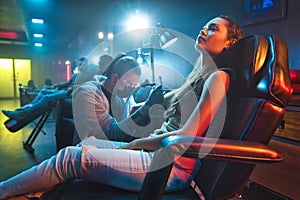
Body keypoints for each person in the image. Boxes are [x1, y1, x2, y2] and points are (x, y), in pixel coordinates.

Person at [0, 15, 243, 199]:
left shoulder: (219, 77)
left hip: (171, 165)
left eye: (214, 28)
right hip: (156, 153)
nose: (204, 30)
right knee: (86, 144)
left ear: (230, 43)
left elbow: (186, 136)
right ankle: (33, 193)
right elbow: (167, 104)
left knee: (70, 157)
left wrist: (136, 143)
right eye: (205, 26)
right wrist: (145, 97)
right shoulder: (195, 76)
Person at [72, 53, 164, 144]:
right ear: (115, 78)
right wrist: (146, 106)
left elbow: (129, 120)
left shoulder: (118, 96)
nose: (132, 88)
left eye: (134, 84)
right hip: (86, 151)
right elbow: (109, 134)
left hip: (107, 147)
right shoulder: (88, 95)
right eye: (130, 84)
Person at [1, 57, 96, 122]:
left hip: (69, 94)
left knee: (46, 97)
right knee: (43, 91)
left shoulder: (88, 75)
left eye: (82, 64)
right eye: (79, 64)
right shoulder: (77, 74)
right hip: (64, 90)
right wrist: (54, 85)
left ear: (86, 64)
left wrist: (72, 88)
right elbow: (67, 82)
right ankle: (24, 109)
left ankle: (22, 113)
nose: (79, 65)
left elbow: (84, 85)